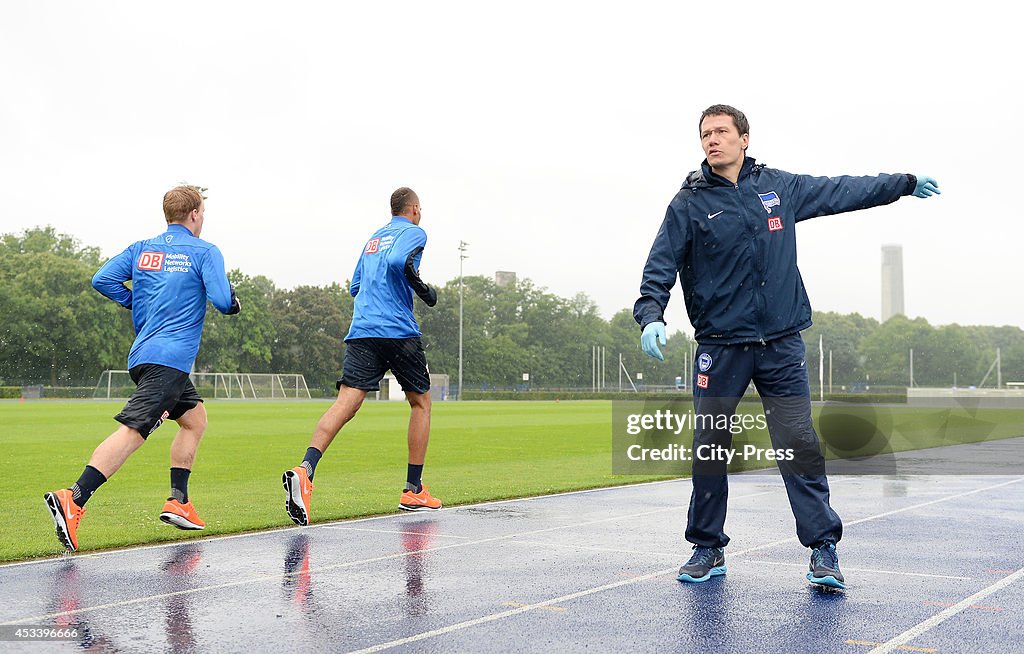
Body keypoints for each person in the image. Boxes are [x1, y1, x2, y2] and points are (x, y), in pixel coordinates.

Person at [633, 105, 940, 589]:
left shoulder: (779, 188)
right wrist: (651, 314)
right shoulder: (688, 204)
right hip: (721, 345)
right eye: (705, 134)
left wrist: (902, 182)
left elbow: (844, 190)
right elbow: (659, 266)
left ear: (745, 138)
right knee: (710, 447)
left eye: (721, 132)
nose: (712, 141)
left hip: (780, 343)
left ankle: (823, 550)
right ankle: (707, 547)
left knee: (798, 445)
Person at [44, 185, 241, 552]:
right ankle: (74, 498)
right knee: (135, 431)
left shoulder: (142, 249)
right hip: (170, 362)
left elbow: (101, 279)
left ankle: (178, 500)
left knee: (195, 419)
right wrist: (233, 304)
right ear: (195, 214)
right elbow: (220, 299)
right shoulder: (205, 251)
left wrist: (134, 301)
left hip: (145, 357)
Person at [283, 187, 440, 526]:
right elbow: (401, 263)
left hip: (362, 330)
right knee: (421, 403)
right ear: (413, 208)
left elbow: (355, 285)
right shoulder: (414, 232)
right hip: (397, 331)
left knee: (345, 404)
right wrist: (420, 286)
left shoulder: (373, 239)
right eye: (420, 209)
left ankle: (306, 470)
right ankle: (413, 489)